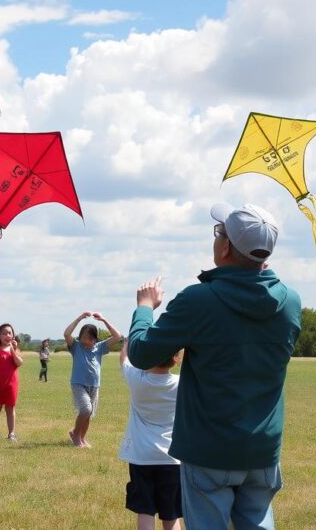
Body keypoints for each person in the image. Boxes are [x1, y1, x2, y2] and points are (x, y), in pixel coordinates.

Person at [127, 203, 301, 530]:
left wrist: (144, 309)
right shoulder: (290, 302)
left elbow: (140, 353)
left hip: (208, 449)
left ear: (224, 247)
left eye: (219, 232)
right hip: (263, 449)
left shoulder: (199, 300)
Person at [119, 336, 183, 530]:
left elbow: (123, 360)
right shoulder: (182, 383)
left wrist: (127, 344)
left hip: (141, 457)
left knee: (145, 510)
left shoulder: (137, 379)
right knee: (171, 514)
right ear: (175, 358)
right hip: (172, 458)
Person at [64, 311, 122, 448]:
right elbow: (66, 334)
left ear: (95, 339)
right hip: (78, 384)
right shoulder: (76, 347)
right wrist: (79, 318)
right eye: (83, 338)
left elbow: (117, 336)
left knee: (89, 414)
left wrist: (104, 320)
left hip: (94, 385)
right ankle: (76, 436)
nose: (86, 341)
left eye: (89, 339)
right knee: (85, 409)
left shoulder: (100, 347)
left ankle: (81, 437)